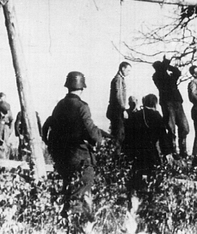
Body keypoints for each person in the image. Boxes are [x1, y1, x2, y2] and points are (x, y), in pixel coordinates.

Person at [43, 71, 102, 222]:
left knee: (67, 187)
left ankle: (64, 221)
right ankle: (75, 220)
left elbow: (47, 125)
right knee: (83, 185)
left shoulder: (59, 106)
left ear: (68, 87)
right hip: (78, 155)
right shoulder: (82, 106)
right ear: (82, 88)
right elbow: (91, 131)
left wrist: (49, 145)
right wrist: (99, 139)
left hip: (62, 156)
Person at [127, 94, 173, 192]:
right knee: (152, 176)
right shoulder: (157, 116)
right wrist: (167, 152)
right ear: (155, 103)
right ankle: (150, 196)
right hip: (151, 152)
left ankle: (135, 196)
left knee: (136, 176)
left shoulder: (137, 115)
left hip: (137, 152)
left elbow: (129, 134)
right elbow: (162, 136)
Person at [152, 56, 190, 158]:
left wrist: (169, 65)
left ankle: (183, 150)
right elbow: (163, 72)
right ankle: (174, 151)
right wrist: (167, 64)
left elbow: (177, 72)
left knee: (185, 128)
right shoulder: (157, 76)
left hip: (177, 102)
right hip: (167, 103)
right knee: (171, 128)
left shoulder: (169, 77)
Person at [106, 61, 131, 155]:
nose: (129, 73)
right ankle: (116, 157)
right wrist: (123, 109)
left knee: (118, 134)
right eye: (128, 70)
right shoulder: (118, 79)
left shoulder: (119, 79)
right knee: (118, 135)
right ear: (122, 68)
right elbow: (118, 94)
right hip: (117, 110)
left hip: (116, 110)